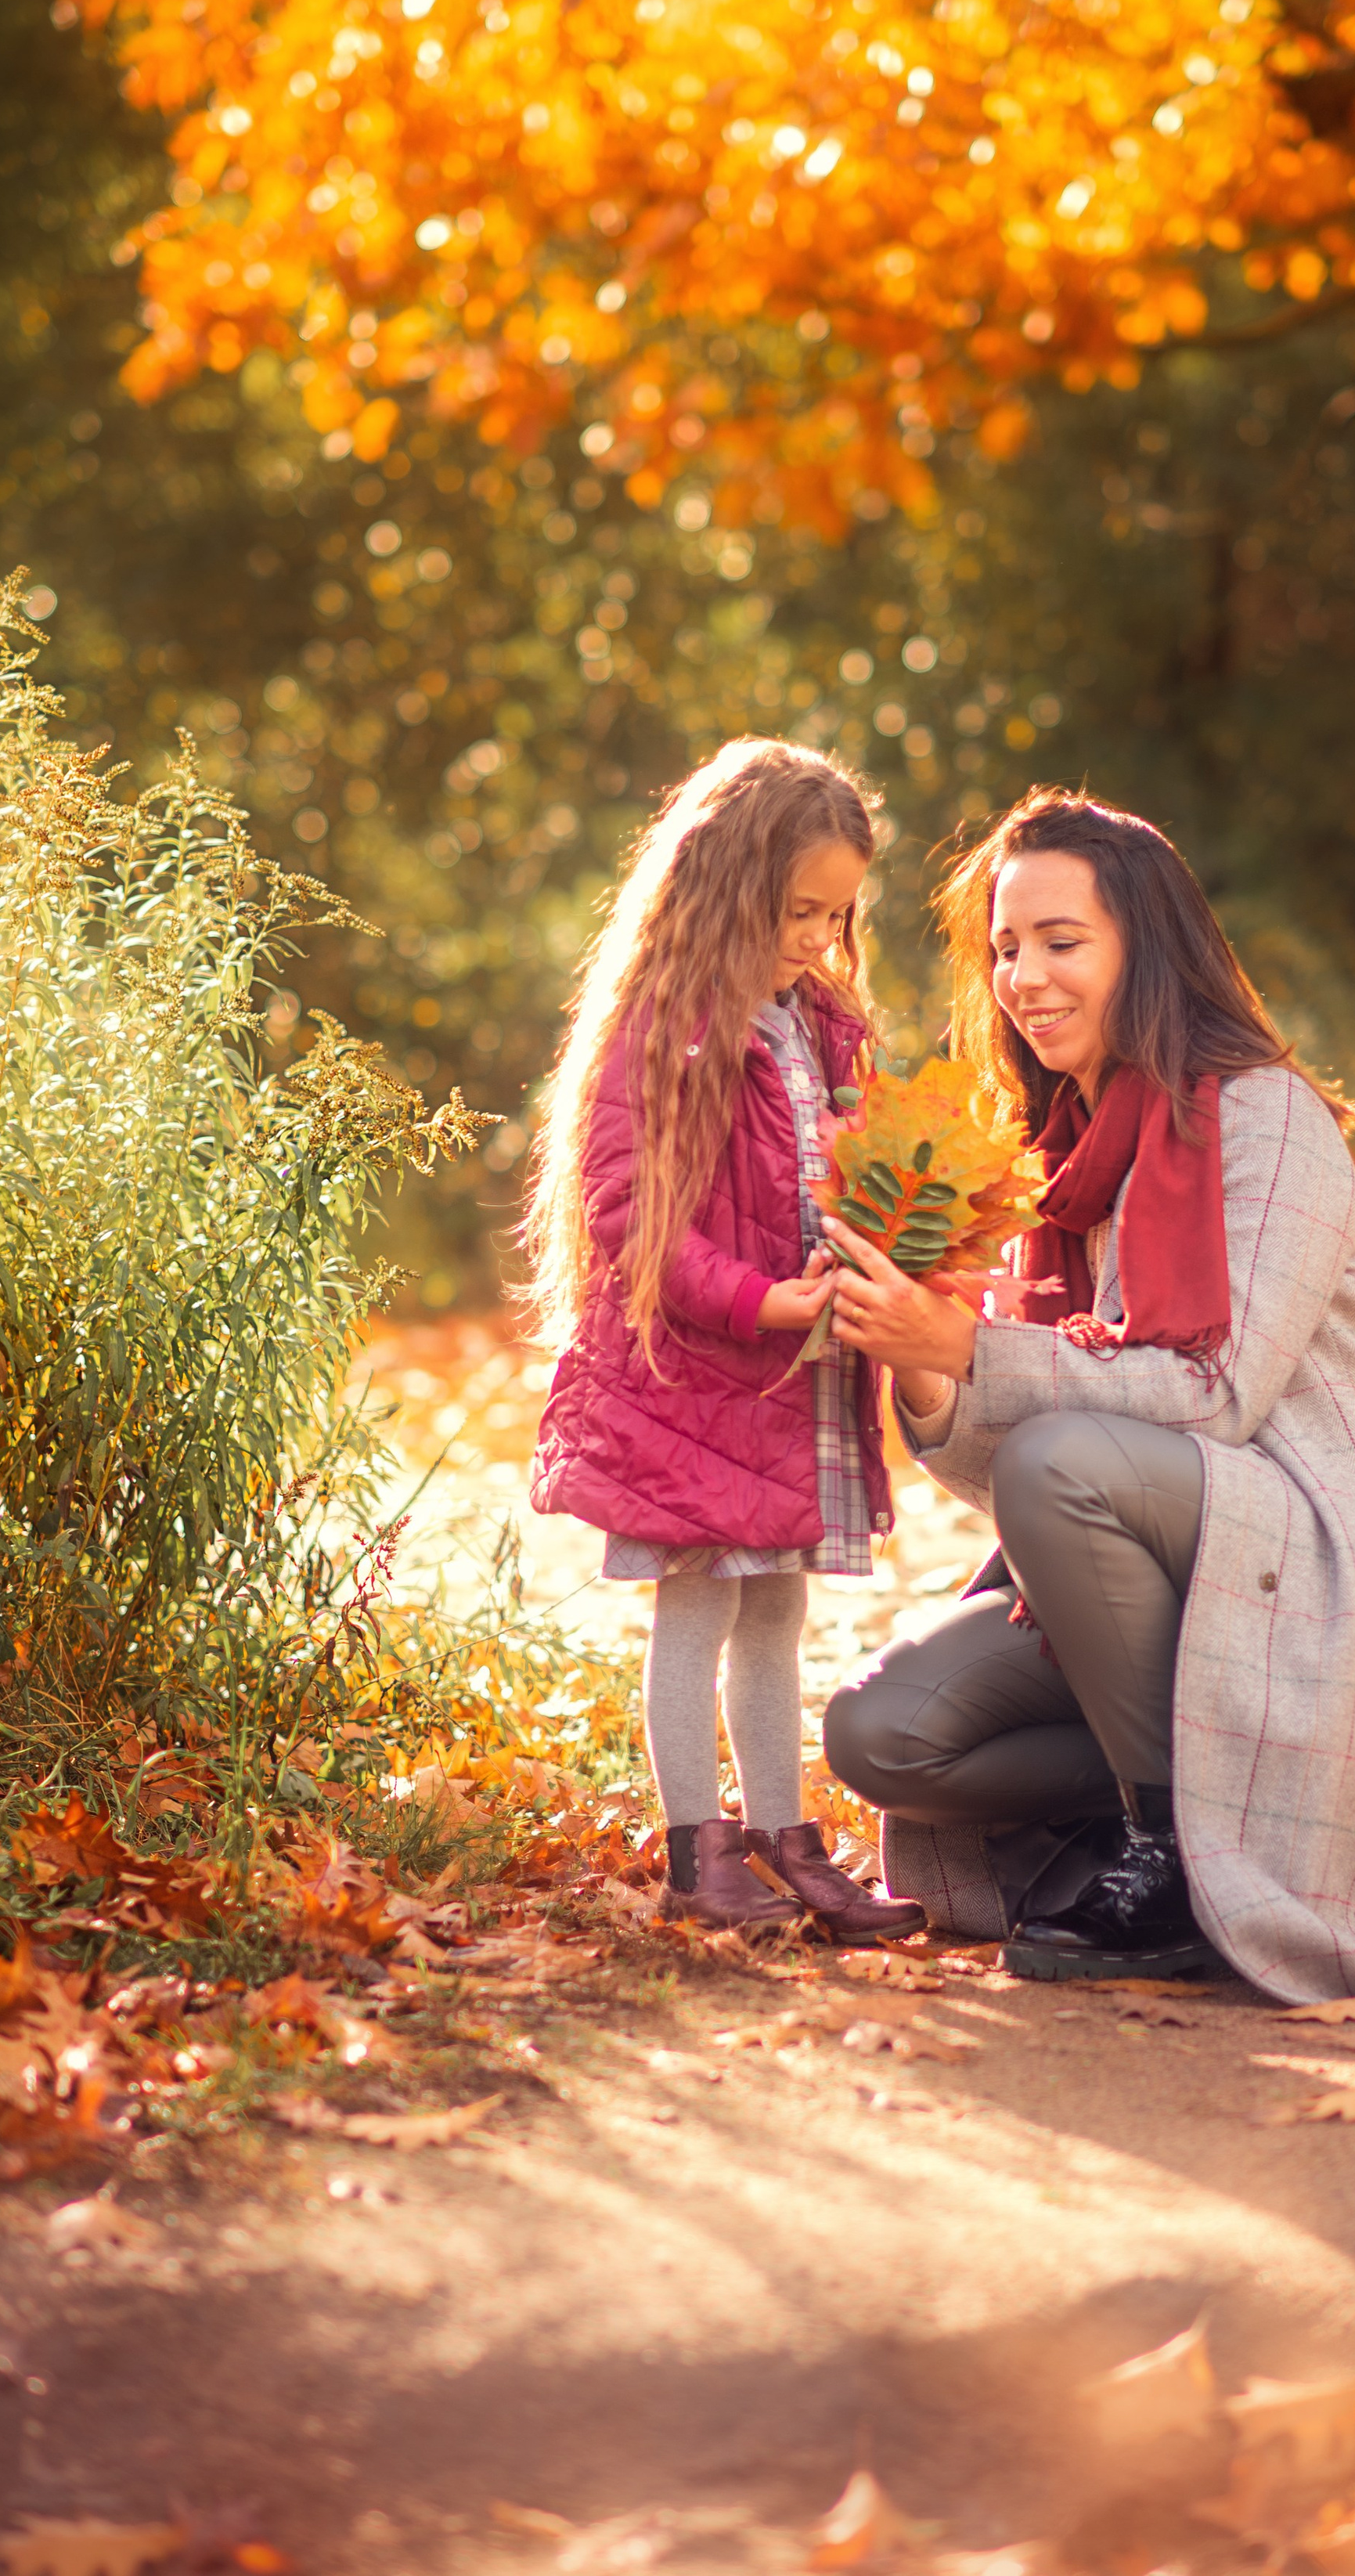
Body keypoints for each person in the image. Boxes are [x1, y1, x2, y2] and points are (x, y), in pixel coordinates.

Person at [820, 788, 1355, 2004]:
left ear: (1144, 948)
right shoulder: (1053, 1162)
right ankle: (1170, 1817)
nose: (1024, 977)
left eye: (1062, 941)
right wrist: (924, 1355)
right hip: (1163, 1551)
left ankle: (1167, 1856)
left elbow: (1220, 1397)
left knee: (1056, 1458)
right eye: (1006, 948)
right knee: (882, 1735)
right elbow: (1013, 1470)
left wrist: (979, 1353)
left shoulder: (1264, 1117)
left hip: (1323, 1546)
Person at [524, 738, 922, 1943]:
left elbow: (846, 1169)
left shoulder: (819, 1022)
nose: (818, 936)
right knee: (695, 1614)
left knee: (779, 1617)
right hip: (696, 1380)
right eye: (798, 909)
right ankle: (699, 1851)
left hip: (790, 1384)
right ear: (726, 885)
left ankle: (784, 1838)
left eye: (836, 914)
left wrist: (890, 1228)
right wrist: (760, 1302)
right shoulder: (666, 1025)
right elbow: (630, 1219)